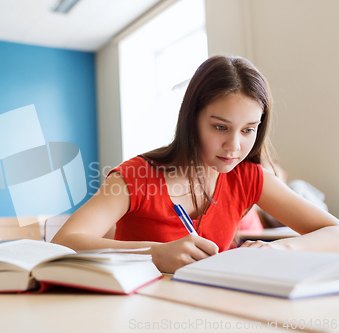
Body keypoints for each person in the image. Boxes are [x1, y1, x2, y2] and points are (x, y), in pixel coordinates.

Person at [51, 55, 339, 273]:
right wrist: (154, 253)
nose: (234, 146)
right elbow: (64, 242)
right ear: (192, 120)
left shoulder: (248, 177)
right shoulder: (135, 176)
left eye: (248, 130)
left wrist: (283, 249)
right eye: (220, 127)